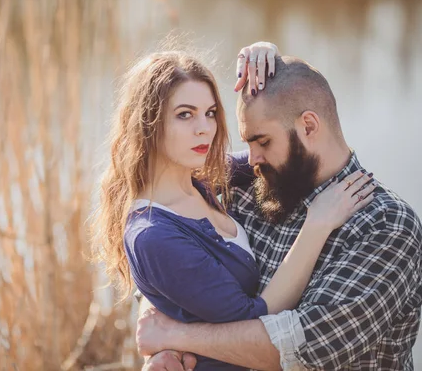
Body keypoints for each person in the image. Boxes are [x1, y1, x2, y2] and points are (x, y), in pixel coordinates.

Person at [91, 42, 376, 370]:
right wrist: (317, 224)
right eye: (185, 114)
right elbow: (253, 316)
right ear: (149, 123)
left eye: (210, 113)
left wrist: (266, 51)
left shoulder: (204, 178)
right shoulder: (153, 234)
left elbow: (280, 151)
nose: (204, 128)